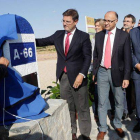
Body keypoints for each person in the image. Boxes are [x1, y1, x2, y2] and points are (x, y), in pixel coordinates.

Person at [36, 9, 91, 140]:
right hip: (64, 77)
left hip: (78, 77)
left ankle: (84, 135)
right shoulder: (58, 34)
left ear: (76, 21)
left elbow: (87, 57)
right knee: (68, 107)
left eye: (68, 21)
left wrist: (82, 74)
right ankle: (72, 132)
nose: (64, 24)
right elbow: (41, 42)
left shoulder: (83, 36)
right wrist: (23, 39)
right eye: (63, 21)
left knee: (82, 108)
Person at [92, 11, 132, 140]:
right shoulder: (98, 36)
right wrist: (95, 72)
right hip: (102, 71)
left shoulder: (123, 36)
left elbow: (127, 58)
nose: (106, 23)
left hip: (118, 73)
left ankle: (117, 124)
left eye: (110, 21)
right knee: (102, 102)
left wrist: (126, 77)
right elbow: (96, 56)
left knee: (119, 101)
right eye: (105, 20)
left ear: (116, 21)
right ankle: (102, 128)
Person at [122, 14, 136, 120]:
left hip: (135, 68)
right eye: (124, 21)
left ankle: (131, 109)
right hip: (123, 68)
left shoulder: (135, 34)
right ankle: (125, 111)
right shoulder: (121, 34)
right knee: (123, 90)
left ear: (133, 24)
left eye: (128, 21)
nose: (125, 23)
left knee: (133, 91)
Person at [130, 26, 140, 133]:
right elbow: (130, 51)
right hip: (138, 71)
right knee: (138, 98)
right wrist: (136, 64)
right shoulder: (133, 32)